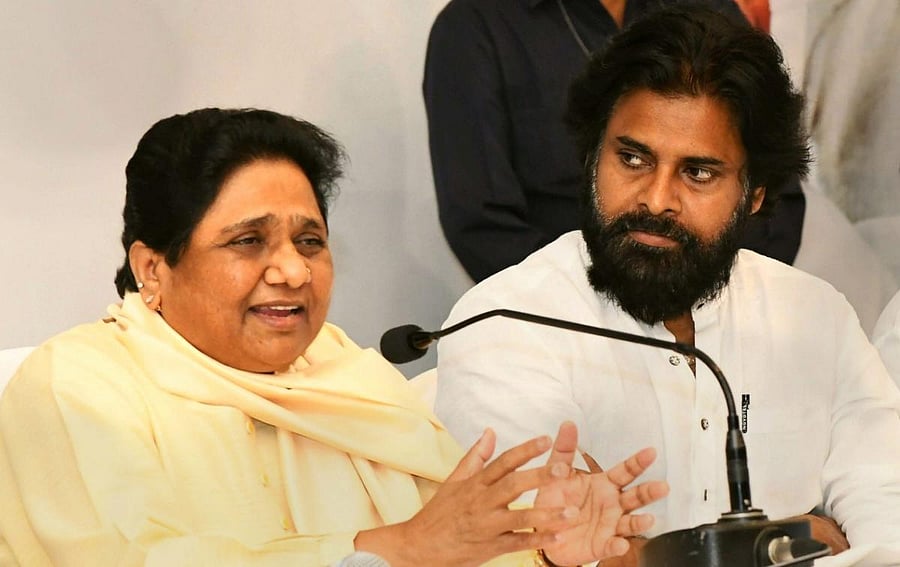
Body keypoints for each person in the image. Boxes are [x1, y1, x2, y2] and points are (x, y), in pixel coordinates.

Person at [0, 109, 669, 566]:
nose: (293, 270)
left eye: (310, 240)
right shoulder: (77, 384)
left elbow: (449, 548)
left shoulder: (349, 375)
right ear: (153, 267)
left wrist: (548, 547)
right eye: (249, 240)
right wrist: (393, 547)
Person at [433, 5, 900, 565]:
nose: (655, 200)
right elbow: (545, 550)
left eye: (697, 173)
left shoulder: (816, 316)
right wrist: (783, 542)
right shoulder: (503, 325)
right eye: (632, 158)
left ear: (754, 194)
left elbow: (886, 515)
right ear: (591, 157)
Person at [422, 0, 805, 283]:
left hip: (714, 316)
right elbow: (481, 223)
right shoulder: (476, 26)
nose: (657, 199)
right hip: (563, 324)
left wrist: (717, 300)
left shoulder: (710, 8)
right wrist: (606, 309)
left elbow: (776, 187)